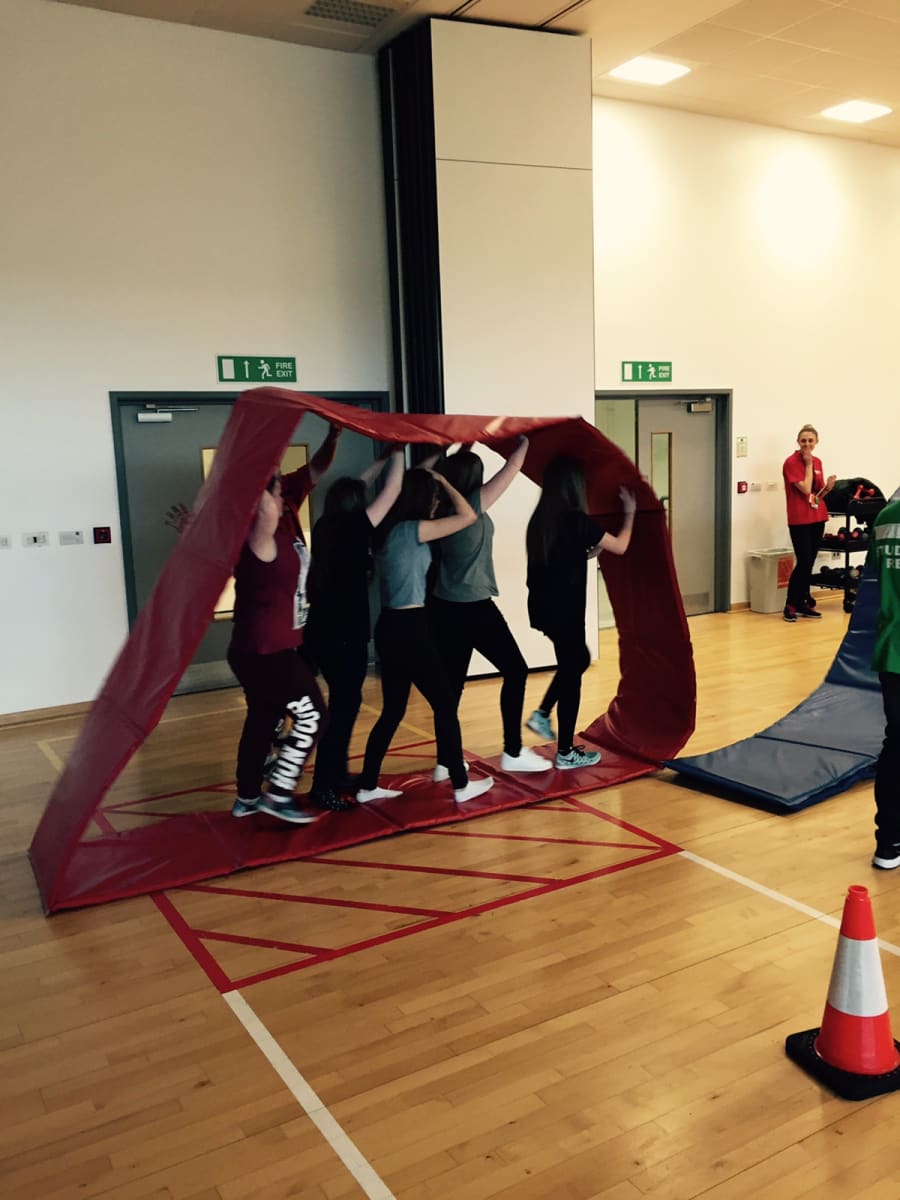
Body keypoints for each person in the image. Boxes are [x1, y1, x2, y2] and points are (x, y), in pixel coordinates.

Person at [356, 467, 495, 805]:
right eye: (434, 496)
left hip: (390, 626)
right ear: (421, 498)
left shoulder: (388, 530)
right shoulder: (411, 530)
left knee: (393, 711)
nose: (436, 503)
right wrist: (446, 479)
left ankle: (367, 785)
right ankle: (461, 784)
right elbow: (468, 515)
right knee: (445, 704)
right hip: (411, 627)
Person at [227, 424, 341, 823]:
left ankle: (246, 796)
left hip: (265, 646)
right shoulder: (260, 533)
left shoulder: (281, 518)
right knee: (314, 715)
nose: (284, 496)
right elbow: (262, 499)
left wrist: (334, 436)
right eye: (276, 490)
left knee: (263, 719)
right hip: (266, 650)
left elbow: (314, 469)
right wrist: (260, 447)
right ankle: (278, 794)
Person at [430, 437, 550, 776]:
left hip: (445, 607)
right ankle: (512, 751)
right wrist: (524, 438)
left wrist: (467, 446)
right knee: (516, 670)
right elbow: (513, 467)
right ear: (474, 481)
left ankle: (446, 761)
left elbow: (453, 472)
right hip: (473, 607)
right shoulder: (472, 505)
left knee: (451, 687)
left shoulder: (442, 507)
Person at [304, 446, 405, 811]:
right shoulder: (355, 527)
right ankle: (323, 785)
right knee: (344, 709)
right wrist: (399, 450)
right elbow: (391, 491)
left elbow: (357, 487)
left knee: (343, 705)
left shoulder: (326, 524)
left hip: (322, 633)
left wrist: (381, 457)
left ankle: (336, 774)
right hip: (344, 636)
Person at [525, 456, 636, 769]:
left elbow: (563, 556)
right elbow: (621, 546)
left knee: (576, 661)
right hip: (566, 610)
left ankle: (542, 714)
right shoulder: (576, 519)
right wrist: (630, 513)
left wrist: (592, 549)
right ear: (573, 487)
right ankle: (565, 752)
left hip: (544, 607)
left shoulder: (542, 518)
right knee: (574, 670)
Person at [869, 494, 900, 869]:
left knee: (896, 744)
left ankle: (888, 842)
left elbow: (878, 572)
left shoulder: (885, 518)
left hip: (892, 648)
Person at [782, 424, 836, 623]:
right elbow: (805, 489)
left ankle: (803, 601)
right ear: (798, 442)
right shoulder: (792, 462)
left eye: (810, 440)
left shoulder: (818, 461)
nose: (807, 444)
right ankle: (790, 604)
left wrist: (828, 488)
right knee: (803, 561)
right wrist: (807, 464)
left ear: (816, 442)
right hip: (799, 519)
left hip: (817, 517)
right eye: (803, 440)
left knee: (810, 561)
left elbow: (817, 494)